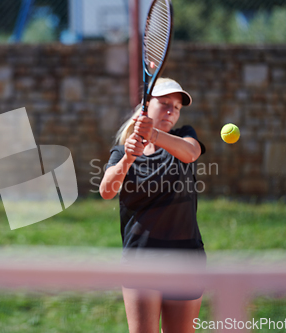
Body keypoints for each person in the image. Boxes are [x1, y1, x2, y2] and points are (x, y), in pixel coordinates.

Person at [99, 78, 206, 333]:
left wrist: (154, 135)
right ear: (146, 105)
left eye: (177, 108)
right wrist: (128, 157)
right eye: (165, 103)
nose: (172, 112)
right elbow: (106, 191)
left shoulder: (184, 137)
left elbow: (191, 153)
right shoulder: (121, 151)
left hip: (186, 258)